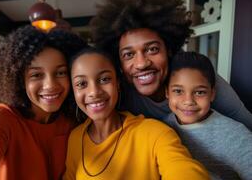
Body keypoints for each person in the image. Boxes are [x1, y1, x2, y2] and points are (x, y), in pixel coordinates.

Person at [90, 0, 252, 130]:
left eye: (152, 49)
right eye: (128, 54)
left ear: (169, 49)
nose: (141, 64)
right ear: (119, 61)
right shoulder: (119, 94)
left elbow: (247, 125)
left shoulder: (198, 78)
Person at [0, 25, 87, 180]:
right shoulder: (1, 118)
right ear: (20, 80)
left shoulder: (73, 119)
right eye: (36, 75)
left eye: (61, 72)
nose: (50, 85)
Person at [63, 48, 209, 180]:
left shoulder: (154, 133)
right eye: (81, 84)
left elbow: (183, 169)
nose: (94, 92)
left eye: (104, 79)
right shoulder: (75, 138)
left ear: (118, 83)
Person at [164, 52, 252, 180]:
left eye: (200, 92)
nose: (188, 101)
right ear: (167, 92)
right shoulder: (163, 126)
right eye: (178, 91)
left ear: (212, 94)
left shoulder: (235, 135)